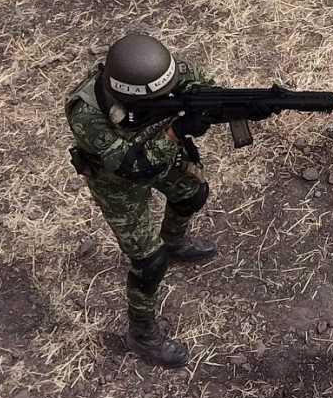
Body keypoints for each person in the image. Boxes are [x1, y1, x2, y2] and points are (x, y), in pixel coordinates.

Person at [65, 33, 220, 368]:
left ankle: (176, 240)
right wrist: (176, 132)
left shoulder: (161, 72)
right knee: (150, 264)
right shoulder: (86, 114)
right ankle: (142, 333)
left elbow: (199, 82)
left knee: (192, 194)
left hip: (161, 157)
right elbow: (131, 167)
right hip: (119, 183)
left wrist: (207, 103)